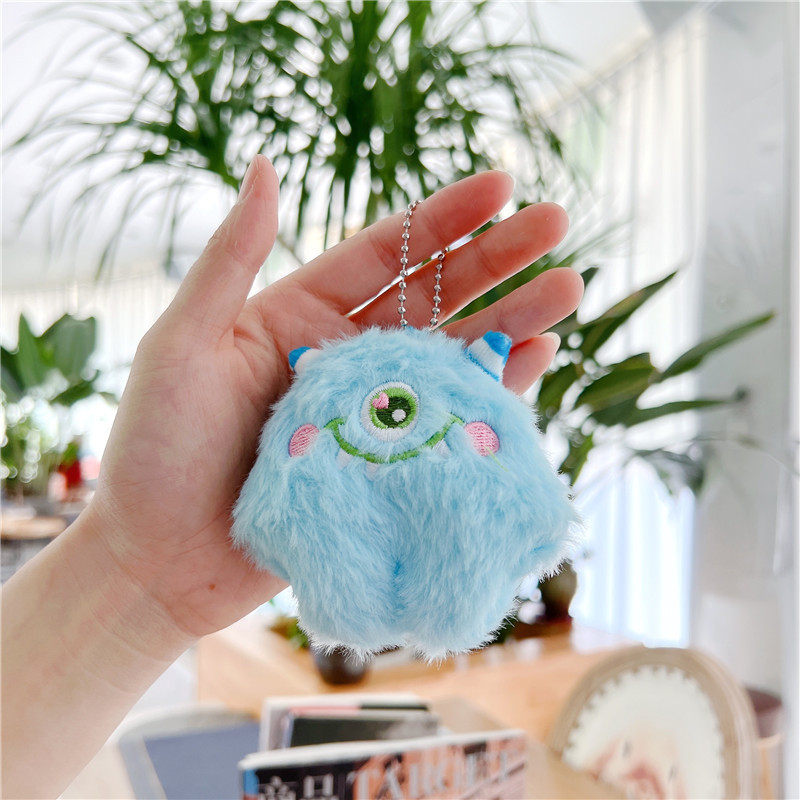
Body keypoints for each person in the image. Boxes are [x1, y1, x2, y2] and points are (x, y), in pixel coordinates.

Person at [0, 156, 583, 798]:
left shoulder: (340, 406)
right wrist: (129, 562)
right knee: (382, 562)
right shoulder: (383, 412)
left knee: (430, 555)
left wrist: (130, 570)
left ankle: (428, 603)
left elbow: (524, 512)